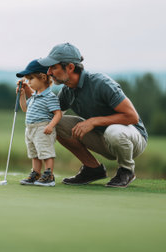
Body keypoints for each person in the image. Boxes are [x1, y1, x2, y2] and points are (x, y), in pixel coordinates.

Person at [36, 43, 148, 188]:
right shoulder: (67, 90)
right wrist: (30, 93)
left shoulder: (101, 83)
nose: (49, 72)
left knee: (114, 131)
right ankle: (92, 169)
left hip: (132, 139)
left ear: (70, 67)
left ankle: (126, 170)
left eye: (54, 67)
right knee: (53, 123)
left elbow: (132, 117)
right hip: (103, 139)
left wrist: (94, 121)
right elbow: (47, 115)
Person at [16, 59, 62, 187]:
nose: (28, 82)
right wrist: (22, 95)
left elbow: (58, 114)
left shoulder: (50, 97)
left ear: (42, 77)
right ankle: (36, 173)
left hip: (42, 128)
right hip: (30, 129)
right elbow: (25, 109)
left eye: (31, 79)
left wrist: (50, 126)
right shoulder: (35, 96)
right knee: (34, 154)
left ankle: (49, 176)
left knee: (45, 153)